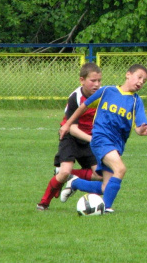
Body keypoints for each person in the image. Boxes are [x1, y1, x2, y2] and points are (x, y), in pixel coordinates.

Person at [58, 64, 147, 213]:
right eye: (139, 77)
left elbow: (139, 126)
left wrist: (141, 130)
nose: (141, 82)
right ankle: (105, 208)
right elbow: (83, 107)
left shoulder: (136, 102)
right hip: (101, 139)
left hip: (117, 145)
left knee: (105, 187)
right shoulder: (107, 91)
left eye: (144, 81)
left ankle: (75, 182)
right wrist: (68, 124)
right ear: (128, 74)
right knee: (120, 169)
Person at [36, 63, 104, 211]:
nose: (97, 84)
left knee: (100, 176)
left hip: (88, 139)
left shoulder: (103, 96)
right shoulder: (76, 97)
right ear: (82, 80)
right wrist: (92, 139)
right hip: (70, 137)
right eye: (93, 81)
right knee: (65, 171)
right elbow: (72, 128)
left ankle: (73, 180)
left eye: (99, 81)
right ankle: (43, 203)